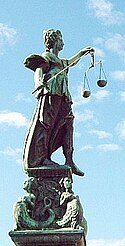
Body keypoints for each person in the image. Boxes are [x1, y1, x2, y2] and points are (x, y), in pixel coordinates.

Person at [23, 29, 94, 176]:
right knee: (46, 124)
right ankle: (41, 158)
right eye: (61, 40)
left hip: (63, 95)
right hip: (51, 92)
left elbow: (71, 62)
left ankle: (69, 160)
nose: (63, 43)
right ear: (54, 41)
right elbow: (38, 70)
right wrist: (38, 83)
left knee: (68, 124)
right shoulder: (47, 56)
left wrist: (82, 53)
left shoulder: (61, 62)